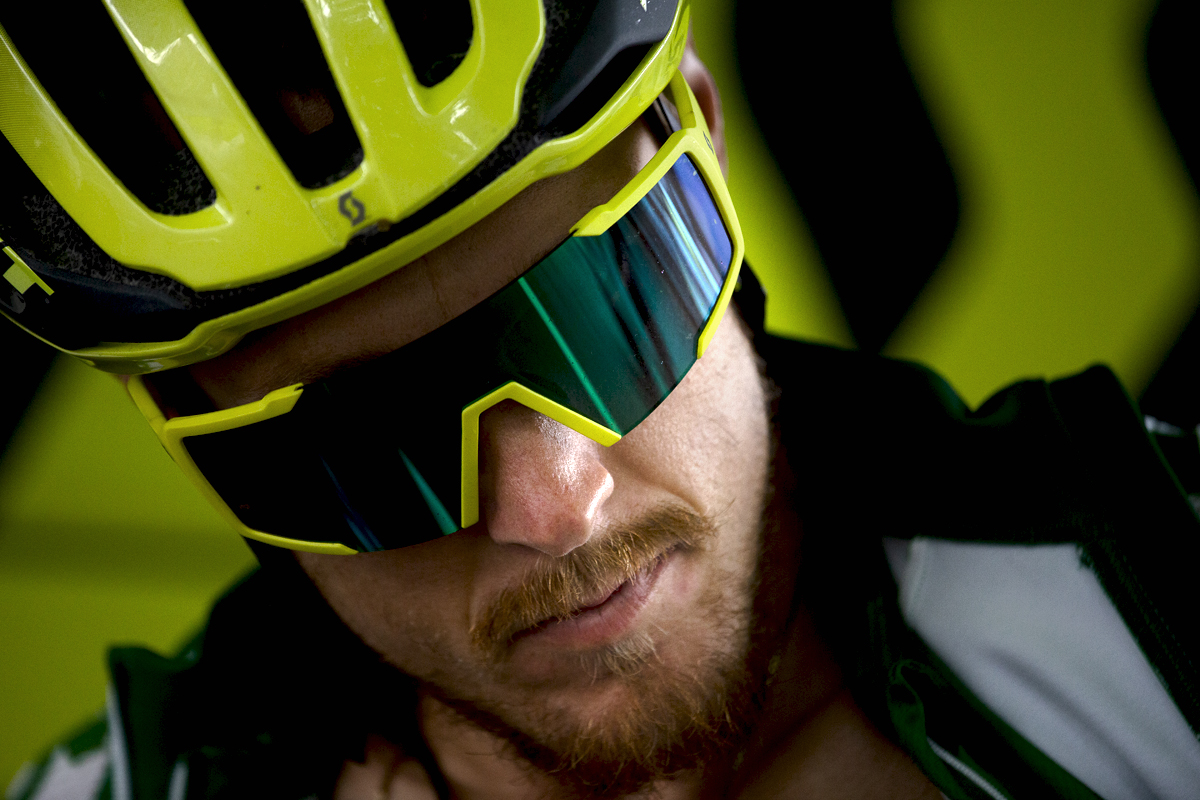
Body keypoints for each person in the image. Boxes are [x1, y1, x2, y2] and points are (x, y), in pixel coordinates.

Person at [3, 2, 1199, 798]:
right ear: (200, 460)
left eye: (603, 309)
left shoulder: (1172, 582)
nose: (553, 500)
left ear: (709, 159)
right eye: (369, 446)